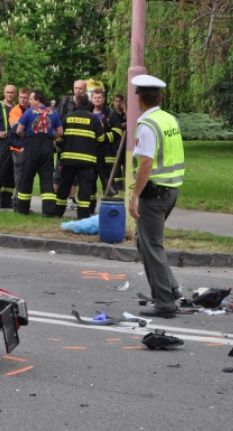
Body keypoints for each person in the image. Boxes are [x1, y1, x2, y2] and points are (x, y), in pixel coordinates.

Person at [128, 74, 185, 319]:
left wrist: (134, 195)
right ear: (160, 96)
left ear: (138, 97)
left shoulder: (148, 125)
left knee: (151, 246)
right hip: (171, 189)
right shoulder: (168, 119)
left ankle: (165, 302)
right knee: (145, 241)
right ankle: (172, 289)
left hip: (154, 193)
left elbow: (147, 162)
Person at [54, 94, 104, 219]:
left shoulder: (68, 117)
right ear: (89, 104)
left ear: (76, 104)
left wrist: (60, 150)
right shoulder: (94, 119)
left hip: (68, 160)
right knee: (85, 188)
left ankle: (58, 212)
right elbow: (101, 139)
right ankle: (83, 215)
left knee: (64, 185)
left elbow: (59, 138)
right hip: (87, 160)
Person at [15, 90, 63, 216]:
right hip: (47, 148)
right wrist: (50, 136)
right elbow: (60, 132)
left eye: (31, 99)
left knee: (27, 177)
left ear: (37, 100)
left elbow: (19, 130)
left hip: (31, 147)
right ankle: (49, 211)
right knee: (47, 179)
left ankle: (22, 209)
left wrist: (26, 137)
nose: (29, 101)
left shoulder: (29, 112)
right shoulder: (53, 112)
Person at [92, 89, 124, 198]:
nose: (97, 100)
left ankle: (112, 207)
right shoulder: (88, 112)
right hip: (90, 153)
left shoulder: (111, 113)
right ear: (92, 99)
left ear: (104, 99)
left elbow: (118, 132)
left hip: (107, 153)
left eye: (99, 97)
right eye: (95, 97)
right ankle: (89, 207)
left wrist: (103, 138)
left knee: (108, 181)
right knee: (89, 181)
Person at [7, 88, 30, 205]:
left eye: (25, 98)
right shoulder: (15, 111)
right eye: (21, 97)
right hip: (18, 148)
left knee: (25, 176)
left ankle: (22, 201)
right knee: (20, 176)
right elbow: (17, 129)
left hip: (28, 147)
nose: (23, 100)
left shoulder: (30, 110)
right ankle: (17, 201)